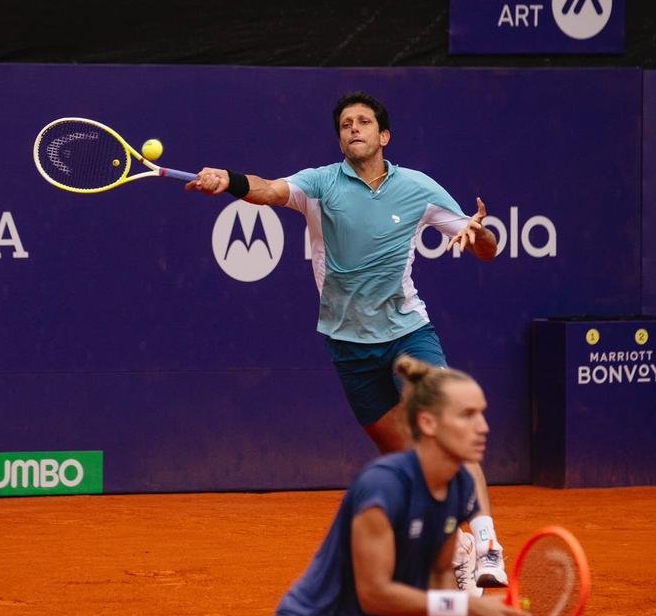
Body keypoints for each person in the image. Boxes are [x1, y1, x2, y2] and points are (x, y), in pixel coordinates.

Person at [186, 92, 506, 590]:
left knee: (449, 426)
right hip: (349, 344)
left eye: (364, 122)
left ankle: (487, 545)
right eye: (345, 124)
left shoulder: (417, 187)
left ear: (384, 136)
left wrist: (480, 235)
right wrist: (228, 180)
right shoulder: (319, 184)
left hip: (408, 332)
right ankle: (458, 548)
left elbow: (481, 244)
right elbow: (270, 190)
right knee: (407, 458)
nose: (353, 128)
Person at [274, 356, 529, 616]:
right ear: (428, 423)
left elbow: (440, 575)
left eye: (481, 414)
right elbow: (374, 596)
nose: (483, 428)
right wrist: (467, 607)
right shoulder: (382, 488)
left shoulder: (460, 488)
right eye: (467, 415)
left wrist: (456, 611)